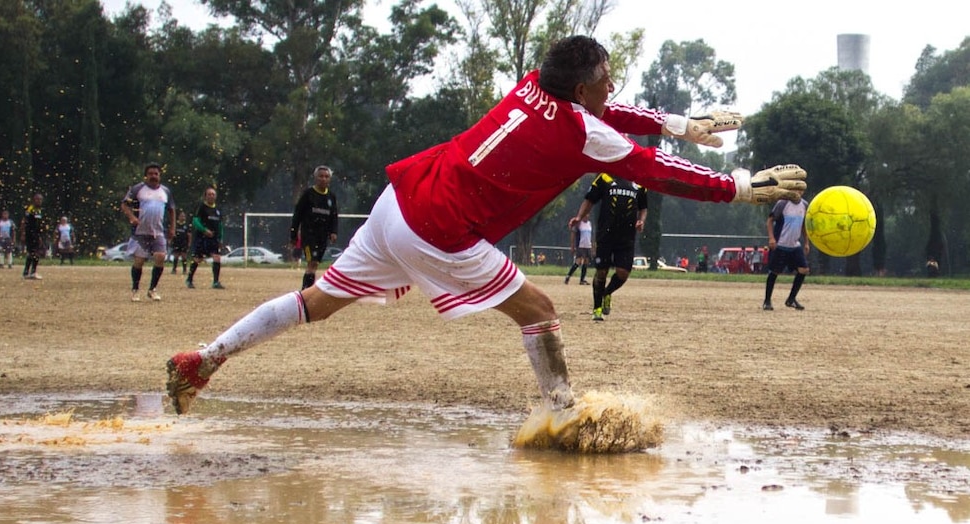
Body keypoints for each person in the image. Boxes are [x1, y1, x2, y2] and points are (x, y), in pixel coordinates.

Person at [164, 35, 807, 415]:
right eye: (603, 81)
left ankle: (204, 360)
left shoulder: (534, 84)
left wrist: (678, 122)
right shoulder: (584, 132)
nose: (610, 89)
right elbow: (654, 170)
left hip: (403, 200)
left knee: (318, 301)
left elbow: (624, 119)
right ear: (581, 88)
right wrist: (740, 186)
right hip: (439, 229)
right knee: (538, 309)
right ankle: (563, 415)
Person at [570, 173, 647, 320]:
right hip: (605, 234)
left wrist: (641, 220)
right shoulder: (605, 178)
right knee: (601, 272)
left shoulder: (639, 182)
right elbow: (589, 200)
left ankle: (607, 293)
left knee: (623, 273)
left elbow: (643, 207)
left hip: (627, 236)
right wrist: (579, 217)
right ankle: (597, 309)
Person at [120, 162, 176, 302]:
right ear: (146, 175)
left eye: (156, 174)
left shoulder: (165, 192)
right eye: (150, 174)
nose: (153, 176)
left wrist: (172, 227)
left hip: (158, 231)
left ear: (160, 175)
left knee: (160, 257)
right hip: (141, 232)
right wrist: (132, 217)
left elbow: (172, 209)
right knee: (139, 261)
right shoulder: (138, 189)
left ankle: (152, 289)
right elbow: (124, 204)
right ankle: (135, 289)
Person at [289, 165, 338, 290]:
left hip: (322, 236)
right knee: (312, 262)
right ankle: (306, 291)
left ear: (329, 179)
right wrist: (293, 235)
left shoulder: (331, 197)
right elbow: (297, 215)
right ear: (315, 178)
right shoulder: (308, 194)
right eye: (321, 176)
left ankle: (307, 290)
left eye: (326, 177)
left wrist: (333, 231)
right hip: (309, 235)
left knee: (315, 264)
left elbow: (334, 216)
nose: (323, 179)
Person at [762, 194, 810, 310]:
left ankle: (791, 299)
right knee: (774, 272)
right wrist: (771, 238)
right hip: (780, 244)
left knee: (804, 270)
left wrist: (806, 242)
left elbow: (804, 225)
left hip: (794, 245)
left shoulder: (804, 204)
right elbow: (769, 221)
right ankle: (767, 301)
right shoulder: (782, 203)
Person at [186, 186, 225, 290]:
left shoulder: (218, 210)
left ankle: (216, 282)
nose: (211, 196)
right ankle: (189, 279)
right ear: (205, 196)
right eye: (209, 194)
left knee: (217, 257)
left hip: (214, 239)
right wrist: (204, 230)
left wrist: (221, 238)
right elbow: (195, 221)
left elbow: (220, 225)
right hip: (202, 238)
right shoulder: (201, 207)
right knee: (198, 259)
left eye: (213, 194)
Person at [20, 193, 46, 280]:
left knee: (34, 253)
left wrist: (40, 235)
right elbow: (24, 221)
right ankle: (31, 272)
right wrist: (23, 233)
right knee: (33, 253)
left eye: (40, 199)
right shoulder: (30, 209)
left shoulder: (39, 210)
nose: (39, 201)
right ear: (34, 200)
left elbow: (39, 224)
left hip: (36, 234)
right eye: (37, 199)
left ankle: (28, 272)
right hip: (30, 234)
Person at [564, 219, 593, 285]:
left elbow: (590, 235)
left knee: (586, 262)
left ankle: (582, 280)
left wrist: (592, 246)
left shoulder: (589, 223)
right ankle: (568, 276)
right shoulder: (579, 224)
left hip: (588, 245)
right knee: (578, 262)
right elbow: (573, 234)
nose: (587, 216)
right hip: (580, 245)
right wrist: (572, 246)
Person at [170, 210, 190, 275]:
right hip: (176, 242)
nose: (183, 217)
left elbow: (189, 235)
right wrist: (170, 239)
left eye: (184, 216)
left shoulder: (186, 225)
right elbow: (172, 232)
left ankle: (184, 270)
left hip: (184, 242)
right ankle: (174, 269)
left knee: (184, 256)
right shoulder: (175, 224)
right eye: (181, 216)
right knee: (176, 256)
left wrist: (189, 242)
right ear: (178, 217)